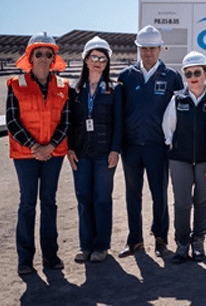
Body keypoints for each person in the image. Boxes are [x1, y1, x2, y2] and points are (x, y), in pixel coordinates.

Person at [7, 32, 70, 275]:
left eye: (48, 54)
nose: (43, 58)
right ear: (30, 57)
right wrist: (35, 147)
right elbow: (13, 121)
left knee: (49, 203)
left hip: (53, 155)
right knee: (27, 204)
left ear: (54, 58)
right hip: (26, 156)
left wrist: (50, 147)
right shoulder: (16, 84)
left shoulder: (63, 86)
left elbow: (66, 122)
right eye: (38, 54)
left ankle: (51, 256)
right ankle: (25, 260)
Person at [118, 25, 184, 258]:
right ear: (138, 49)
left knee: (159, 194)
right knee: (132, 194)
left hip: (158, 147)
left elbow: (179, 114)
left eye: (152, 48)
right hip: (132, 147)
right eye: (143, 48)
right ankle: (135, 239)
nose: (148, 53)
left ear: (160, 49)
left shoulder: (172, 77)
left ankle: (160, 239)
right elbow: (118, 113)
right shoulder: (126, 76)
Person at [66, 36, 122, 264]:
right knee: (83, 197)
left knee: (101, 198)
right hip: (80, 152)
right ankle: (85, 246)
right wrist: (69, 148)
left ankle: (101, 246)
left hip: (103, 153)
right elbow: (69, 122)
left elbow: (118, 122)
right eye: (94, 57)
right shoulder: (74, 90)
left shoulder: (114, 89)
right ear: (86, 60)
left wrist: (115, 150)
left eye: (103, 58)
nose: (98, 62)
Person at [162, 51, 206, 263]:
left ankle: (199, 241)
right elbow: (168, 129)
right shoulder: (177, 99)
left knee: (203, 201)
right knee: (182, 203)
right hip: (180, 160)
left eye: (197, 72)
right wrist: (175, 149)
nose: (193, 77)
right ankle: (182, 243)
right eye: (188, 73)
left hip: (205, 160)